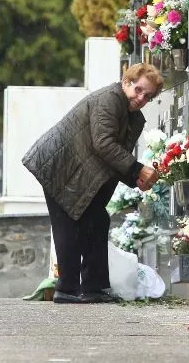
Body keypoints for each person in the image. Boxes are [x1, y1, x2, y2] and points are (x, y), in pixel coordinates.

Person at [22, 63, 162, 304]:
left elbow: (115, 155)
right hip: (59, 165)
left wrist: (135, 179)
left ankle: (94, 287)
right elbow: (104, 144)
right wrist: (138, 169)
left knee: (97, 219)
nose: (141, 98)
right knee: (68, 224)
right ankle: (66, 289)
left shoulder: (134, 118)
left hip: (80, 170)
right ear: (126, 81)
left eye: (148, 96)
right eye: (138, 89)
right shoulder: (110, 99)